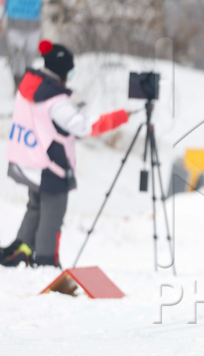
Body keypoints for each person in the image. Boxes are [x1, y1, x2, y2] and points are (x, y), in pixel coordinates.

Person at [1, 41, 130, 268]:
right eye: (70, 69)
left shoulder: (30, 86)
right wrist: (122, 116)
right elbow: (86, 127)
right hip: (49, 167)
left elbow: (42, 119)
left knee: (35, 206)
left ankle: (22, 248)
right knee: (52, 214)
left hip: (29, 159)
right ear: (62, 69)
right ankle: (46, 260)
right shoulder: (56, 100)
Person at [0, 0, 44, 89]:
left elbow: (46, 1)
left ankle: (27, 85)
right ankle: (18, 83)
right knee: (17, 55)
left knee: (30, 57)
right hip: (15, 25)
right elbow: (2, 0)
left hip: (33, 26)